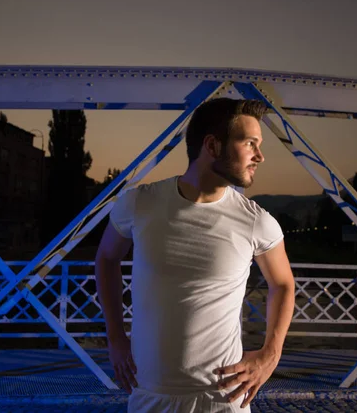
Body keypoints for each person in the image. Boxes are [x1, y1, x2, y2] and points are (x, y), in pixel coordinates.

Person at [95, 98, 295, 412]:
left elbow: (283, 284)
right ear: (212, 146)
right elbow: (107, 259)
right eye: (250, 144)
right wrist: (116, 338)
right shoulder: (139, 203)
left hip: (223, 399)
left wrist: (271, 355)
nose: (260, 156)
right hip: (151, 395)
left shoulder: (256, 220)